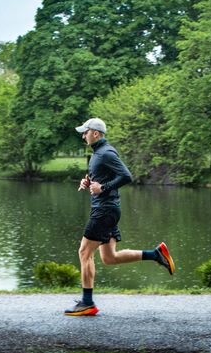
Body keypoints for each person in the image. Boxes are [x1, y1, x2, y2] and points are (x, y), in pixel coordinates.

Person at [65, 117, 175, 316]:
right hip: (107, 209)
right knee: (109, 258)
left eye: (86, 132)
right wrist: (89, 182)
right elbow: (103, 176)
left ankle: (87, 303)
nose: (83, 136)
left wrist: (103, 188)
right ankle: (155, 254)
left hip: (104, 211)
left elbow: (126, 176)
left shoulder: (106, 152)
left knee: (84, 252)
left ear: (95, 133)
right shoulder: (98, 153)